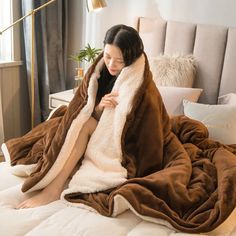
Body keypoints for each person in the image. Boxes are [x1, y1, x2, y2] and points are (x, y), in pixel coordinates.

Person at [16, 24, 144, 209]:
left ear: (130, 59)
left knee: (83, 126)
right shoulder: (100, 72)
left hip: (124, 138)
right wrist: (101, 107)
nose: (111, 64)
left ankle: (53, 189)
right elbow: (86, 107)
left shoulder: (138, 81)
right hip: (97, 127)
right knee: (65, 122)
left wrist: (109, 113)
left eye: (119, 60)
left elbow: (134, 122)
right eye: (107, 56)